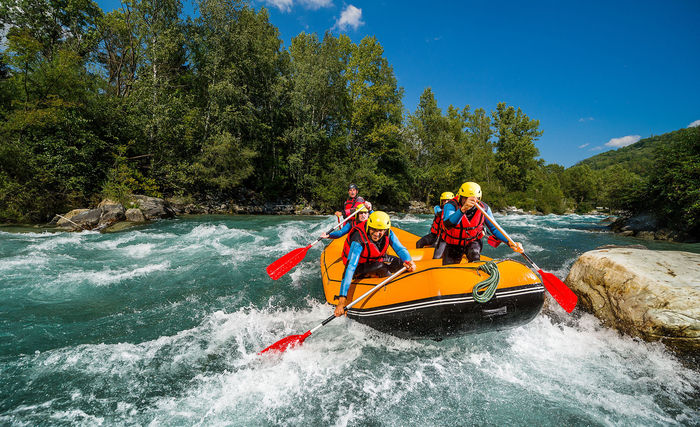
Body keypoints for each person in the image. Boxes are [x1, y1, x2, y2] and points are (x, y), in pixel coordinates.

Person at [334, 211, 417, 316]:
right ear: (369, 226)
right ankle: (385, 286)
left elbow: (400, 249)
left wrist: (409, 261)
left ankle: (382, 278)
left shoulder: (388, 232)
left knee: (400, 263)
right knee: (380, 266)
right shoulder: (358, 238)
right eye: (373, 229)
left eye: (380, 231)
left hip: (375, 259)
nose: (377, 234)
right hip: (359, 266)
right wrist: (342, 301)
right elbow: (350, 267)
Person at [441, 182, 523, 265]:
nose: (468, 201)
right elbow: (448, 224)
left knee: (474, 255)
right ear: (460, 197)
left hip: (472, 241)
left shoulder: (484, 208)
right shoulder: (451, 205)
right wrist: (463, 209)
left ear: (479, 198)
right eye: (465, 198)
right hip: (454, 243)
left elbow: (495, 228)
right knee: (448, 265)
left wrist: (510, 242)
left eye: (474, 199)